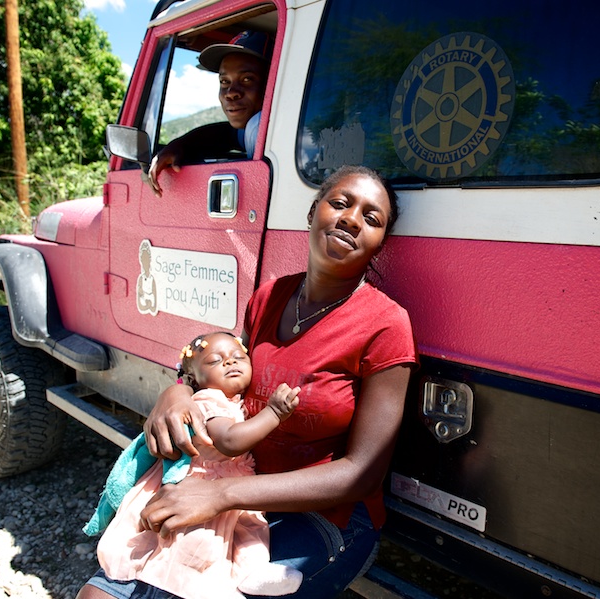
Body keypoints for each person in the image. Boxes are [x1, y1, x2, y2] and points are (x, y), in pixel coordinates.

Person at [130, 165, 418, 599]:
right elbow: (225, 374)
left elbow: (361, 474)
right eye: (339, 203)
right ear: (312, 212)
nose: (352, 219)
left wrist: (221, 494)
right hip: (241, 491)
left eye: (372, 219)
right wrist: (177, 390)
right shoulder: (269, 297)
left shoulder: (386, 324)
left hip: (326, 516)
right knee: (116, 582)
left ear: (380, 243)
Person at [78, 332, 304, 599]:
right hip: (201, 481)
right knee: (193, 539)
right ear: (194, 378)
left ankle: (249, 573)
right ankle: (200, 584)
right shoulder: (208, 401)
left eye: (237, 357)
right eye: (215, 360)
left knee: (248, 529)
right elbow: (230, 441)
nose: (230, 363)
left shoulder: (235, 404)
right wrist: (274, 413)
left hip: (229, 484)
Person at [148, 30, 272, 197]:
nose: (230, 92)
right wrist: (180, 144)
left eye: (247, 79)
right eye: (224, 81)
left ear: (272, 80)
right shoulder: (254, 127)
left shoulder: (263, 126)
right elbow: (228, 134)